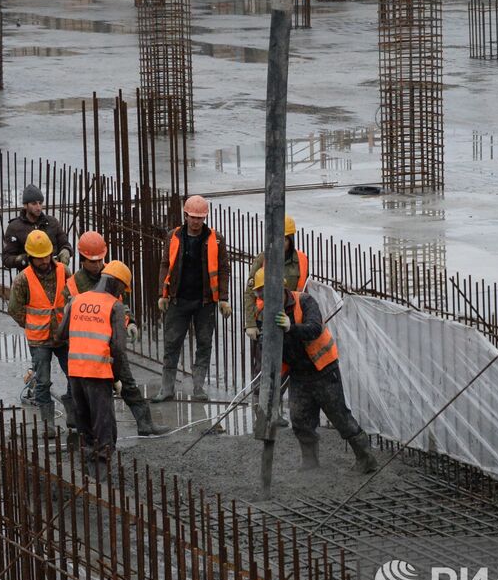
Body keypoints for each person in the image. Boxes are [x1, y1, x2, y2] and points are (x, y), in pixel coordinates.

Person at [252, 266, 377, 474]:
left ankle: (366, 459)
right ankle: (310, 462)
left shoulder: (304, 301)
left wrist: (291, 327)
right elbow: (267, 347)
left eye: (266, 292)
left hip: (323, 370)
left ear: (279, 288)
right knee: (300, 420)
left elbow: (314, 328)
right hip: (298, 374)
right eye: (260, 293)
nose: (264, 297)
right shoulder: (264, 314)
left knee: (339, 417)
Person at [55, 261, 165, 466]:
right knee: (104, 425)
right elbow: (118, 350)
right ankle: (102, 471)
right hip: (98, 372)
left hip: (75, 371)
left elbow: (61, 334)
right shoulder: (114, 306)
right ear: (116, 284)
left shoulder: (77, 300)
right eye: (123, 288)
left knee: (85, 422)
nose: (122, 292)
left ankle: (88, 464)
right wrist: (116, 378)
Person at [153, 194, 231, 402]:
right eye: (193, 217)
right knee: (172, 344)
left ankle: (198, 387)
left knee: (204, 344)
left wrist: (223, 298)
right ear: (185, 215)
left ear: (205, 218)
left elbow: (224, 269)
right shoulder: (173, 236)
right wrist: (163, 293)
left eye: (200, 218)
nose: (196, 222)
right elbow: (164, 264)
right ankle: (167, 388)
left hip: (205, 302)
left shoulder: (216, 239)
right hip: (178, 300)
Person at [7, 229, 74, 437]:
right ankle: (49, 424)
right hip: (39, 340)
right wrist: (31, 324)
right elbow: (14, 309)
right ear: (30, 257)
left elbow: (75, 299)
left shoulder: (64, 271)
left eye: (46, 255)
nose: (44, 260)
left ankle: (73, 415)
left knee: (74, 375)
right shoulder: (22, 280)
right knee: (43, 381)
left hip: (63, 336)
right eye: (39, 257)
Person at [244, 214, 308, 425]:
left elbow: (305, 293)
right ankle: (261, 414)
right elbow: (249, 291)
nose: (282, 243)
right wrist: (251, 324)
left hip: (289, 321)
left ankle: (275, 412)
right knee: (263, 369)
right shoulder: (263, 259)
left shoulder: (301, 260)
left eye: (286, 239)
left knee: (286, 367)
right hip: (264, 321)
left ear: (291, 239)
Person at [2, 184, 69, 271]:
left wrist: (66, 251)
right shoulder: (15, 227)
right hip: (29, 278)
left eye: (40, 203)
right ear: (25, 205)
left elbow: (65, 244)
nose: (38, 207)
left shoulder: (52, 223)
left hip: (54, 274)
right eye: (34, 203)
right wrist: (27, 259)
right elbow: (7, 259)